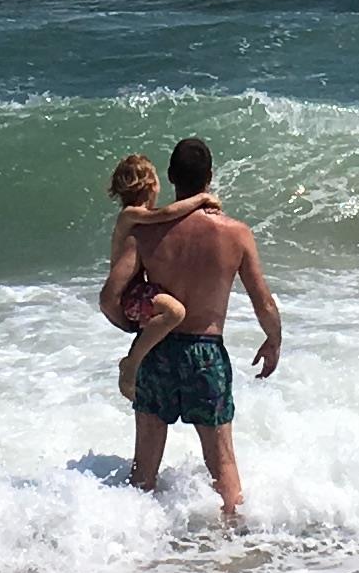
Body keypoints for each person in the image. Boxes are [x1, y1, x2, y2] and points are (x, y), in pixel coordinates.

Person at [99, 136, 281, 526]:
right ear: (210, 177)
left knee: (144, 468)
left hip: (157, 349)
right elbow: (262, 300)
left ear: (170, 177)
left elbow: (112, 294)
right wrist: (273, 339)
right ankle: (233, 551)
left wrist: (130, 326)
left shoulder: (146, 233)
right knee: (223, 463)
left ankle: (133, 551)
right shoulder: (236, 234)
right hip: (207, 354)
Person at [101, 154, 214, 403]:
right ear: (151, 185)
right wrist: (202, 199)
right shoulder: (130, 215)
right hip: (132, 293)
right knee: (175, 312)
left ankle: (135, 361)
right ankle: (132, 363)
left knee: (169, 313)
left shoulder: (137, 218)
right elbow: (167, 214)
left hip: (138, 290)